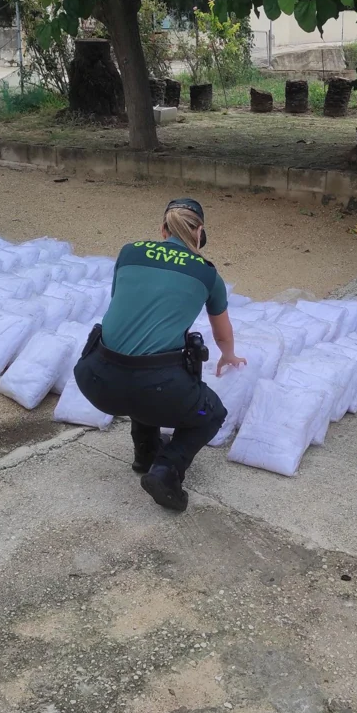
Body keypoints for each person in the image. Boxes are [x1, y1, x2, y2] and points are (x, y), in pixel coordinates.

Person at [73, 198, 246, 512]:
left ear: (163, 229)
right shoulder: (208, 275)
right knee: (211, 413)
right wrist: (228, 355)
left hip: (94, 378)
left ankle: (146, 452)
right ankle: (167, 469)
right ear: (200, 232)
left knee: (145, 372)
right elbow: (222, 333)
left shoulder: (129, 253)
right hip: (155, 390)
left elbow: (123, 306)